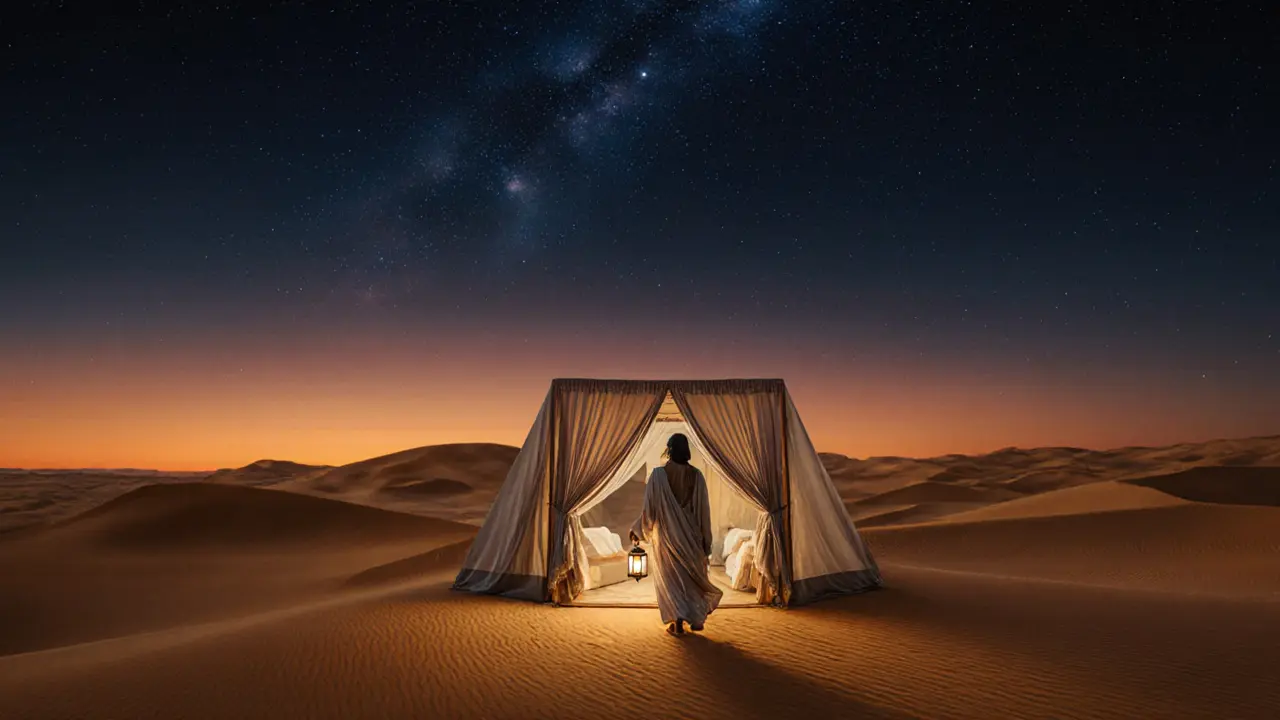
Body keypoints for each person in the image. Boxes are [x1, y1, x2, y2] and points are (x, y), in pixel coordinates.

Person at [629, 433, 723, 635]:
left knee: (672, 581)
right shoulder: (696, 476)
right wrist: (705, 541)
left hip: (667, 539)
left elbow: (649, 512)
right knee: (691, 579)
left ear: (669, 449)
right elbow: (703, 513)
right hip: (691, 538)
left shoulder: (658, 476)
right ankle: (696, 619)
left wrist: (637, 530)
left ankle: (678, 623)